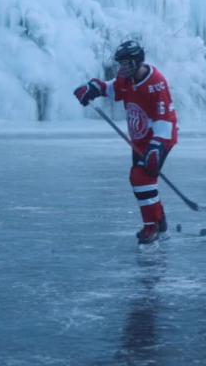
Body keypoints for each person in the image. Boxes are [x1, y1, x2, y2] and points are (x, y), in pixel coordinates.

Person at [74, 40, 178, 245]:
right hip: (139, 140)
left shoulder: (156, 83)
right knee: (145, 182)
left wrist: (156, 147)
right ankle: (160, 224)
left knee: (140, 178)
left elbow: (164, 120)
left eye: (127, 63)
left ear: (138, 62)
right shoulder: (128, 79)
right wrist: (93, 88)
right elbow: (112, 89)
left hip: (160, 139)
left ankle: (151, 227)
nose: (122, 68)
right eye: (120, 63)